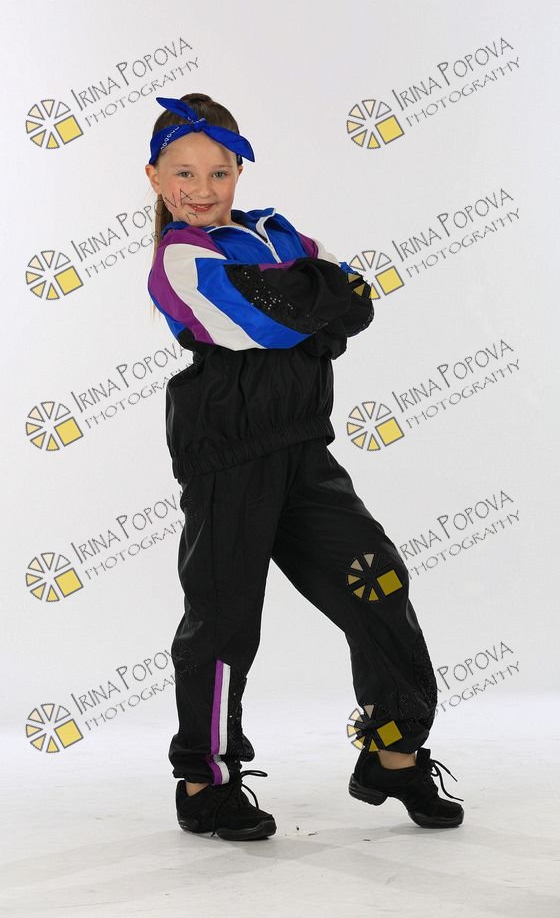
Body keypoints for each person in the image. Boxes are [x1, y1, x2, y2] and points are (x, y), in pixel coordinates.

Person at [145, 93, 463, 841]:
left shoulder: (274, 233)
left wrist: (307, 299)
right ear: (155, 177)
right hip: (228, 461)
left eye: (219, 172)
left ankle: (392, 754)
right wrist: (310, 297)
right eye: (184, 173)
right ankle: (203, 782)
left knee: (377, 579)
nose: (202, 189)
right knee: (224, 620)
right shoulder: (180, 260)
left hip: (303, 449)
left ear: (239, 173)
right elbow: (261, 317)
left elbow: (355, 305)